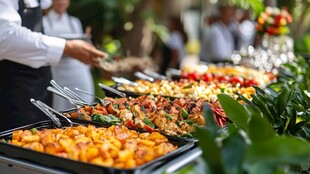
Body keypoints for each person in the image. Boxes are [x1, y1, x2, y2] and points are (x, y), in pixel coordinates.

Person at [0, 0, 107, 132]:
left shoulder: (72, 20)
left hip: (40, 89)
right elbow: (4, 37)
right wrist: (66, 47)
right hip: (14, 94)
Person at [43, 0, 94, 111]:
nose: (61, 2)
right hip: (59, 73)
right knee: (62, 107)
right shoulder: (44, 22)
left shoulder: (75, 21)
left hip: (79, 71)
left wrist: (86, 41)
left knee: (85, 107)